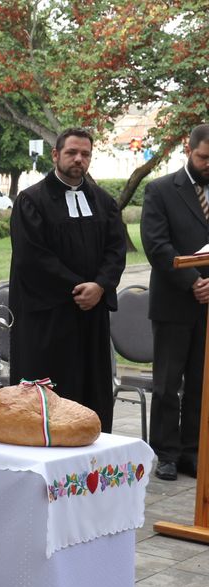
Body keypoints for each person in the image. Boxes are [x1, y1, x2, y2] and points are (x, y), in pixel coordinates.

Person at [8, 127, 127, 432]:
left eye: (85, 154)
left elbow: (116, 250)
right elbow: (32, 257)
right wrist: (77, 288)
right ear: (56, 155)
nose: (79, 159)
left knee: (91, 392)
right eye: (72, 152)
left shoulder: (103, 201)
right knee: (48, 400)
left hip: (91, 316)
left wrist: (100, 286)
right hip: (49, 319)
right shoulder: (31, 201)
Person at [141, 124, 209, 481]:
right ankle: (165, 453)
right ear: (189, 149)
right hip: (174, 302)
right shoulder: (161, 190)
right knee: (168, 383)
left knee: (201, 382)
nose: (208, 164)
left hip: (208, 305)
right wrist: (193, 281)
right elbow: (156, 244)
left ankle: (191, 451)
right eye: (204, 157)